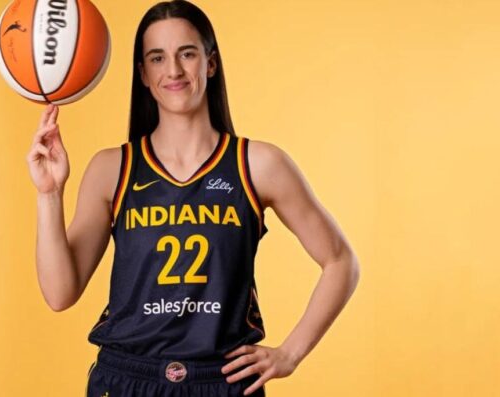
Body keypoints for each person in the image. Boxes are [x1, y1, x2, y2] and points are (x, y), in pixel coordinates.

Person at [26, 1, 360, 396]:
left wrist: (289, 354)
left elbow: (341, 262)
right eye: (157, 58)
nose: (174, 70)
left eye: (187, 53)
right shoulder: (112, 168)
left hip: (222, 380)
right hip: (128, 378)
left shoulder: (258, 164)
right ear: (144, 74)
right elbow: (60, 293)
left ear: (210, 63)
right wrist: (50, 193)